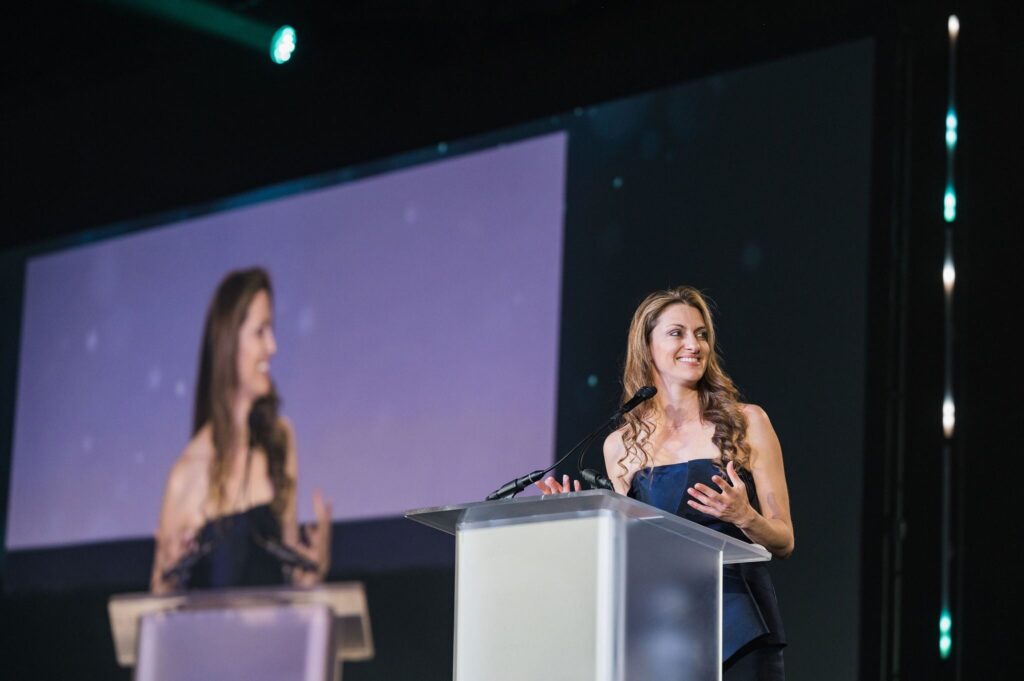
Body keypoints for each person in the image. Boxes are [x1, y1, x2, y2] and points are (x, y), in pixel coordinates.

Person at [537, 286, 793, 680]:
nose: (693, 344)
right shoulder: (619, 445)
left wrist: (745, 516)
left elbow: (783, 539)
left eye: (702, 333)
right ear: (647, 346)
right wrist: (578, 524)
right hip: (661, 635)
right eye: (677, 333)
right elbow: (631, 554)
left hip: (739, 628)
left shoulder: (748, 422)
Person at [150, 268, 331, 594]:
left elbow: (294, 585)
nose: (272, 347)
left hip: (277, 643)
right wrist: (170, 573)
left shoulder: (281, 440)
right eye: (261, 331)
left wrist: (314, 566)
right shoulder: (185, 476)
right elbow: (156, 607)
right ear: (230, 341)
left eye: (271, 331)